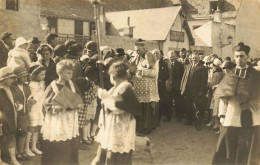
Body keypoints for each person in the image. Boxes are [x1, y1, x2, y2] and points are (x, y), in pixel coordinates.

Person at [212, 43, 260, 164]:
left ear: (248, 57)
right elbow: (223, 97)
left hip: (251, 115)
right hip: (232, 115)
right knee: (228, 144)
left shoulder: (255, 75)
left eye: (242, 56)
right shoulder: (230, 75)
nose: (239, 59)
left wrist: (252, 103)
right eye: (237, 56)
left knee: (248, 146)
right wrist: (222, 114)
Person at [92, 61, 141, 165]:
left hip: (121, 128)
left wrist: (105, 98)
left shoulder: (126, 87)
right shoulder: (116, 87)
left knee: (117, 158)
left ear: (113, 76)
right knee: (104, 155)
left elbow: (119, 108)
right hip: (111, 128)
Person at [41, 59, 83, 165]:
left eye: (72, 72)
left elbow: (79, 98)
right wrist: (57, 107)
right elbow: (46, 104)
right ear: (60, 72)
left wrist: (77, 104)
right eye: (68, 73)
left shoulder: (72, 84)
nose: (71, 75)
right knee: (58, 147)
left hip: (71, 121)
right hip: (58, 121)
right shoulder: (53, 86)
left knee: (70, 146)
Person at [128, 39, 159, 135]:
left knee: (146, 110)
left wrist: (143, 71)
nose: (137, 52)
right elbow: (131, 69)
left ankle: (146, 128)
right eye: (136, 50)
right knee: (138, 109)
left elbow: (155, 73)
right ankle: (138, 127)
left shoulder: (151, 58)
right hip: (137, 90)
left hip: (147, 90)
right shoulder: (135, 58)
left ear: (144, 48)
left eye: (139, 50)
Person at [11, 66, 34, 161]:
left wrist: (30, 103)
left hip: (25, 112)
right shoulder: (13, 87)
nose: (25, 78)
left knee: (23, 131)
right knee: (17, 131)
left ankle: (21, 151)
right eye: (22, 77)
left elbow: (29, 97)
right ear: (16, 77)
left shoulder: (26, 86)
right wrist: (18, 106)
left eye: (26, 76)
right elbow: (13, 99)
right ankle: (16, 152)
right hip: (17, 112)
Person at [180, 52, 208, 130]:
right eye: (193, 58)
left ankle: (197, 123)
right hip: (188, 90)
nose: (194, 59)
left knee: (197, 108)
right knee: (188, 106)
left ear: (198, 59)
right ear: (191, 59)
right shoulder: (188, 66)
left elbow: (204, 81)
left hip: (197, 91)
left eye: (196, 58)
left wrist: (201, 91)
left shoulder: (202, 68)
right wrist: (182, 87)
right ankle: (189, 120)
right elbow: (184, 78)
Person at [0, 67, 20, 165]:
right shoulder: (0, 90)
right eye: (10, 78)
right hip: (2, 119)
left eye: (13, 78)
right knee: (1, 138)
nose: (13, 80)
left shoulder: (12, 89)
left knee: (11, 136)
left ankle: (13, 159)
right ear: (3, 79)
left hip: (12, 117)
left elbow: (15, 100)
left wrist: (18, 105)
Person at [24, 65, 46, 156]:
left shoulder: (41, 83)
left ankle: (33, 147)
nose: (43, 76)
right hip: (33, 108)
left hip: (39, 108)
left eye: (44, 74)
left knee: (37, 127)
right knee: (31, 127)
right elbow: (30, 97)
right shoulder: (31, 85)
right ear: (35, 75)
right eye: (41, 74)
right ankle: (26, 148)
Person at [207, 58, 224, 133]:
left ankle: (216, 125)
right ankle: (213, 122)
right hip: (215, 92)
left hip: (216, 93)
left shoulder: (217, 73)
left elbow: (212, 84)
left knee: (215, 109)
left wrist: (209, 86)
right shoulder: (221, 72)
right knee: (213, 108)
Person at [152, 49, 169, 122]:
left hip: (160, 85)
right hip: (152, 85)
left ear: (160, 55)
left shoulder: (164, 63)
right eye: (154, 53)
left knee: (161, 101)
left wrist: (161, 79)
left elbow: (167, 74)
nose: (155, 55)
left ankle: (158, 118)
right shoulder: (151, 63)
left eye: (157, 54)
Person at [167, 51, 185, 122]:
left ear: (175, 56)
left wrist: (180, 85)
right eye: (170, 56)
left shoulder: (180, 64)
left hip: (177, 86)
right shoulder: (166, 64)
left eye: (173, 55)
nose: (171, 57)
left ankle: (179, 117)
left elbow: (182, 76)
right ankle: (168, 117)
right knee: (168, 102)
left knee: (178, 102)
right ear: (168, 56)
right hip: (168, 86)